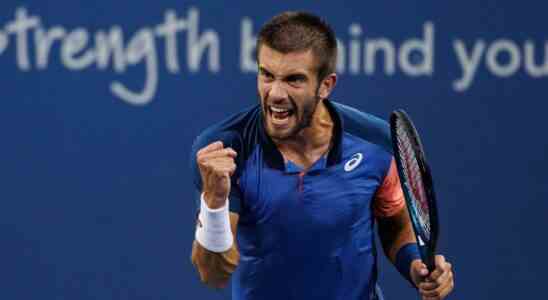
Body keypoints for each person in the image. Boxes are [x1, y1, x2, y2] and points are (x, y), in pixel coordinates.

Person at [190, 11, 454, 300]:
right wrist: (214, 203)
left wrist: (415, 265)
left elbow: (395, 223)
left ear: (326, 85)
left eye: (293, 80)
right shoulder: (226, 149)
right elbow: (213, 274)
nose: (275, 93)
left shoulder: (375, 143)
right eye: (267, 75)